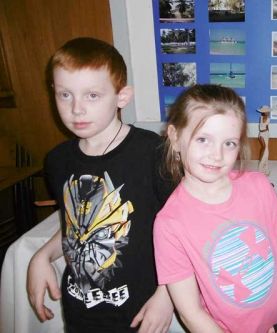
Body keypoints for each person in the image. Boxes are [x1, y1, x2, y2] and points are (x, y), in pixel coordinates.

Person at [26, 37, 175, 332]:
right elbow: (76, 228)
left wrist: (168, 294)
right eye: (65, 95)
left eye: (92, 95)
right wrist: (42, 256)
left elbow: (183, 230)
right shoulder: (57, 160)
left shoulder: (153, 153)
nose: (77, 109)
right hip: (81, 311)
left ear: (122, 96)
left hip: (142, 311)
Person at [153, 84, 277, 333]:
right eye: (203, 139)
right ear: (175, 137)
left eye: (230, 143)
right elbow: (191, 312)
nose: (217, 155)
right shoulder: (170, 223)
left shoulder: (259, 186)